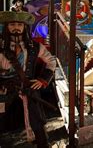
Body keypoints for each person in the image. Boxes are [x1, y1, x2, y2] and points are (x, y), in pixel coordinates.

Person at [0, 11, 56, 147]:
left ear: (25, 27)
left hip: (27, 87)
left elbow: (51, 61)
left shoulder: (35, 47)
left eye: (20, 24)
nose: (16, 27)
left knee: (36, 119)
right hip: (3, 88)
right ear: (6, 27)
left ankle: (42, 144)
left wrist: (43, 79)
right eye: (12, 24)